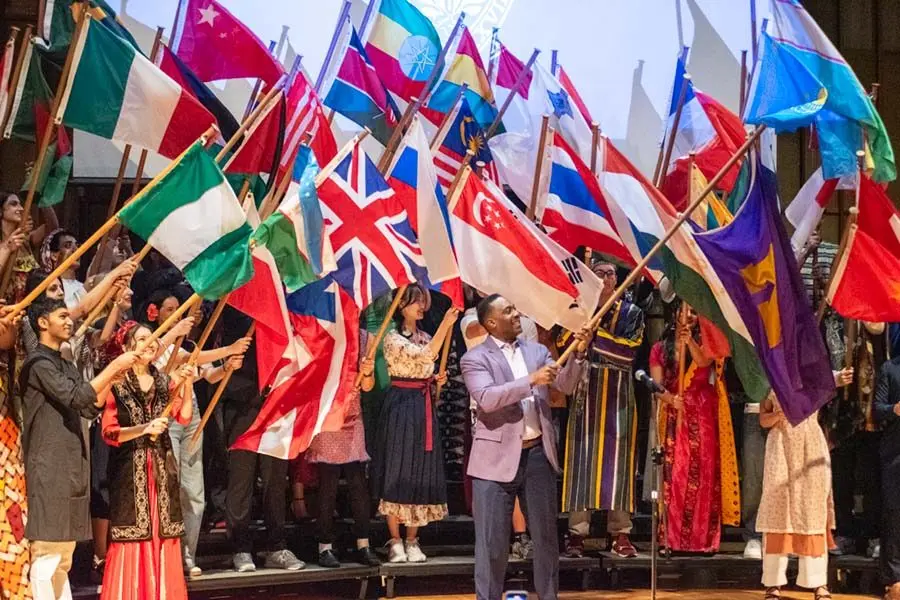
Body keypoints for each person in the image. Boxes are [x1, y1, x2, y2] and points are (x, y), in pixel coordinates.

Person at [461, 294, 589, 600]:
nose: (517, 314)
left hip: (536, 456)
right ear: (491, 322)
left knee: (546, 541)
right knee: (492, 544)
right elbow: (488, 399)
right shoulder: (475, 358)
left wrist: (578, 356)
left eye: (515, 308)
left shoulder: (537, 351)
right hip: (494, 460)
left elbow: (566, 385)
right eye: (508, 311)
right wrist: (530, 380)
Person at [19, 296, 137, 599]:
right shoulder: (38, 364)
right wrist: (111, 369)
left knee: (64, 556)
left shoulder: (65, 363)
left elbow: (88, 406)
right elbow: (74, 396)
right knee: (46, 555)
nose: (68, 320)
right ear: (43, 323)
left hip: (71, 463)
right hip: (49, 464)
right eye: (62, 315)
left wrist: (114, 376)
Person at [148, 291, 252, 577]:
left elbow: (207, 373)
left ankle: (187, 555)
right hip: (165, 417)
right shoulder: (153, 344)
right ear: (155, 313)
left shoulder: (190, 343)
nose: (176, 314)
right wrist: (228, 349)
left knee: (194, 492)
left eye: (177, 310)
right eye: (170, 309)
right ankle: (164, 553)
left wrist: (227, 367)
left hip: (190, 415)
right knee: (170, 486)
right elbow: (184, 358)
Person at [99, 321, 198, 600]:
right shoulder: (116, 384)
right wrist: (144, 428)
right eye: (143, 338)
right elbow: (110, 432)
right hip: (129, 470)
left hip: (162, 468)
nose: (151, 342)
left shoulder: (165, 380)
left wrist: (187, 384)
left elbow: (185, 416)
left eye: (153, 337)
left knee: (163, 534)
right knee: (133, 536)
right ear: (129, 346)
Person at [557, 261, 643, 559]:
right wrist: (580, 341)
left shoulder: (633, 312)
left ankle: (620, 533)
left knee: (619, 464)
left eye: (611, 274)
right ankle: (577, 534)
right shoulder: (578, 311)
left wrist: (595, 338)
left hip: (618, 392)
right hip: (585, 388)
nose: (606, 278)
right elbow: (563, 343)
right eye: (599, 273)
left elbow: (629, 352)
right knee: (582, 461)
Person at [373, 284, 458, 563]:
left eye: (423, 301)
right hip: (401, 405)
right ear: (401, 305)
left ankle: (412, 539)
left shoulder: (425, 336)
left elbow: (427, 365)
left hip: (423, 406)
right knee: (398, 468)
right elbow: (423, 357)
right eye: (415, 301)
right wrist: (447, 324)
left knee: (421, 469)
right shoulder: (392, 338)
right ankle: (395, 540)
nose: (421, 306)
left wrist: (436, 382)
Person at [757, 369, 852, 600]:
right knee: (778, 510)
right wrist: (781, 415)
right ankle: (773, 583)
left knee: (812, 510)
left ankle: (818, 583)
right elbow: (763, 419)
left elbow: (835, 379)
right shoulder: (773, 377)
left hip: (810, 443)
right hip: (781, 445)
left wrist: (843, 376)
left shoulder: (814, 374)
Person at [460, 288, 538, 560]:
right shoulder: (472, 319)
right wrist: (531, 380)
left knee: (533, 505)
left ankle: (521, 535)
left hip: (529, 425)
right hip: (490, 422)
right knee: (497, 489)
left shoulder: (524, 326)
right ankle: (500, 544)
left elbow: (536, 355)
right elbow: (474, 331)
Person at [648, 305, 733, 553]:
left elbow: (704, 362)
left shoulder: (705, 341)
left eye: (695, 312)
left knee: (703, 474)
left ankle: (703, 541)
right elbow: (655, 384)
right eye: (685, 311)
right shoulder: (659, 348)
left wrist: (689, 342)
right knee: (676, 475)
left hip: (703, 413)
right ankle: (671, 539)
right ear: (675, 313)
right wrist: (670, 400)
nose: (690, 316)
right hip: (675, 411)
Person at [310, 330, 381, 568]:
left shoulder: (365, 337)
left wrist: (367, 373)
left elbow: (369, 387)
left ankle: (364, 543)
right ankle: (324, 547)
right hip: (327, 413)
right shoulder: (323, 331)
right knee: (328, 482)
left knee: (357, 481)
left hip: (352, 415)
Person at [877, 349, 900, 600]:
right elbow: (877, 408)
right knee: (894, 514)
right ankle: (894, 578)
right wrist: (894, 408)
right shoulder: (890, 368)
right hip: (896, 452)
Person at [40, 229, 85, 309]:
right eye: (68, 246)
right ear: (54, 255)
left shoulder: (82, 285)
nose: (76, 250)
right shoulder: (52, 288)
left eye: (77, 246)